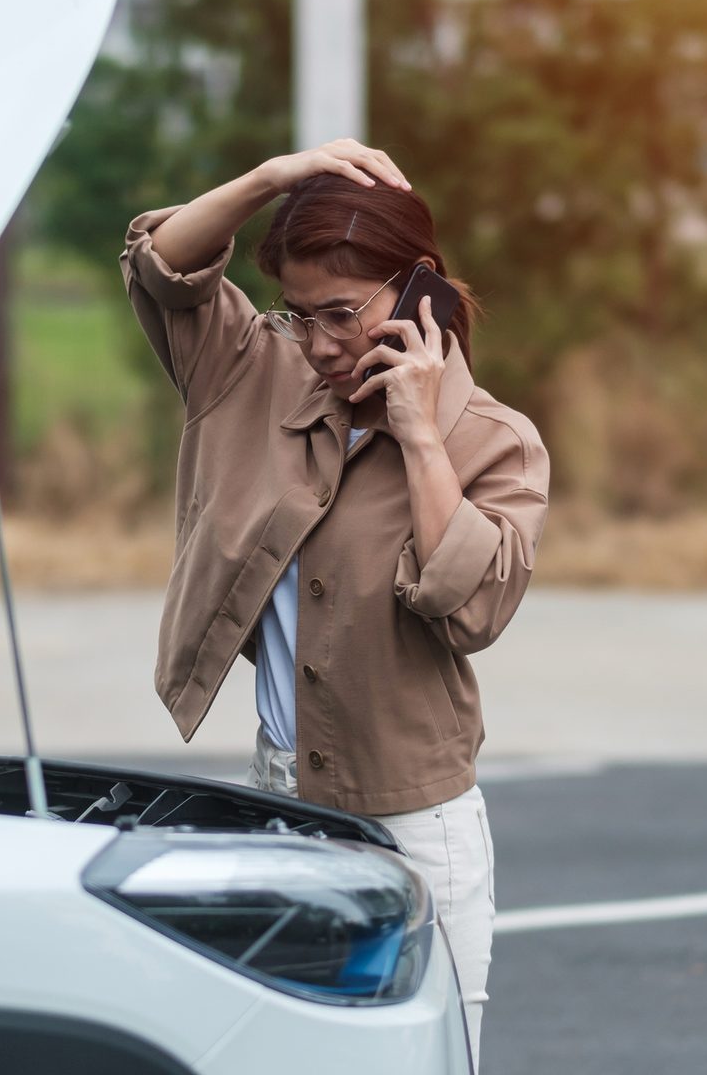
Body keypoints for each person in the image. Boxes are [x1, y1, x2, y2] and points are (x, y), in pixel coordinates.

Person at [120, 138, 549, 1068]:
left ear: (420, 293)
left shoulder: (497, 443)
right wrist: (281, 178)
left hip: (416, 828)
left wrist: (420, 439)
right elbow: (164, 269)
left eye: (343, 315)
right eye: (299, 313)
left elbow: (472, 609)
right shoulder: (250, 371)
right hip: (279, 807)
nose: (317, 343)